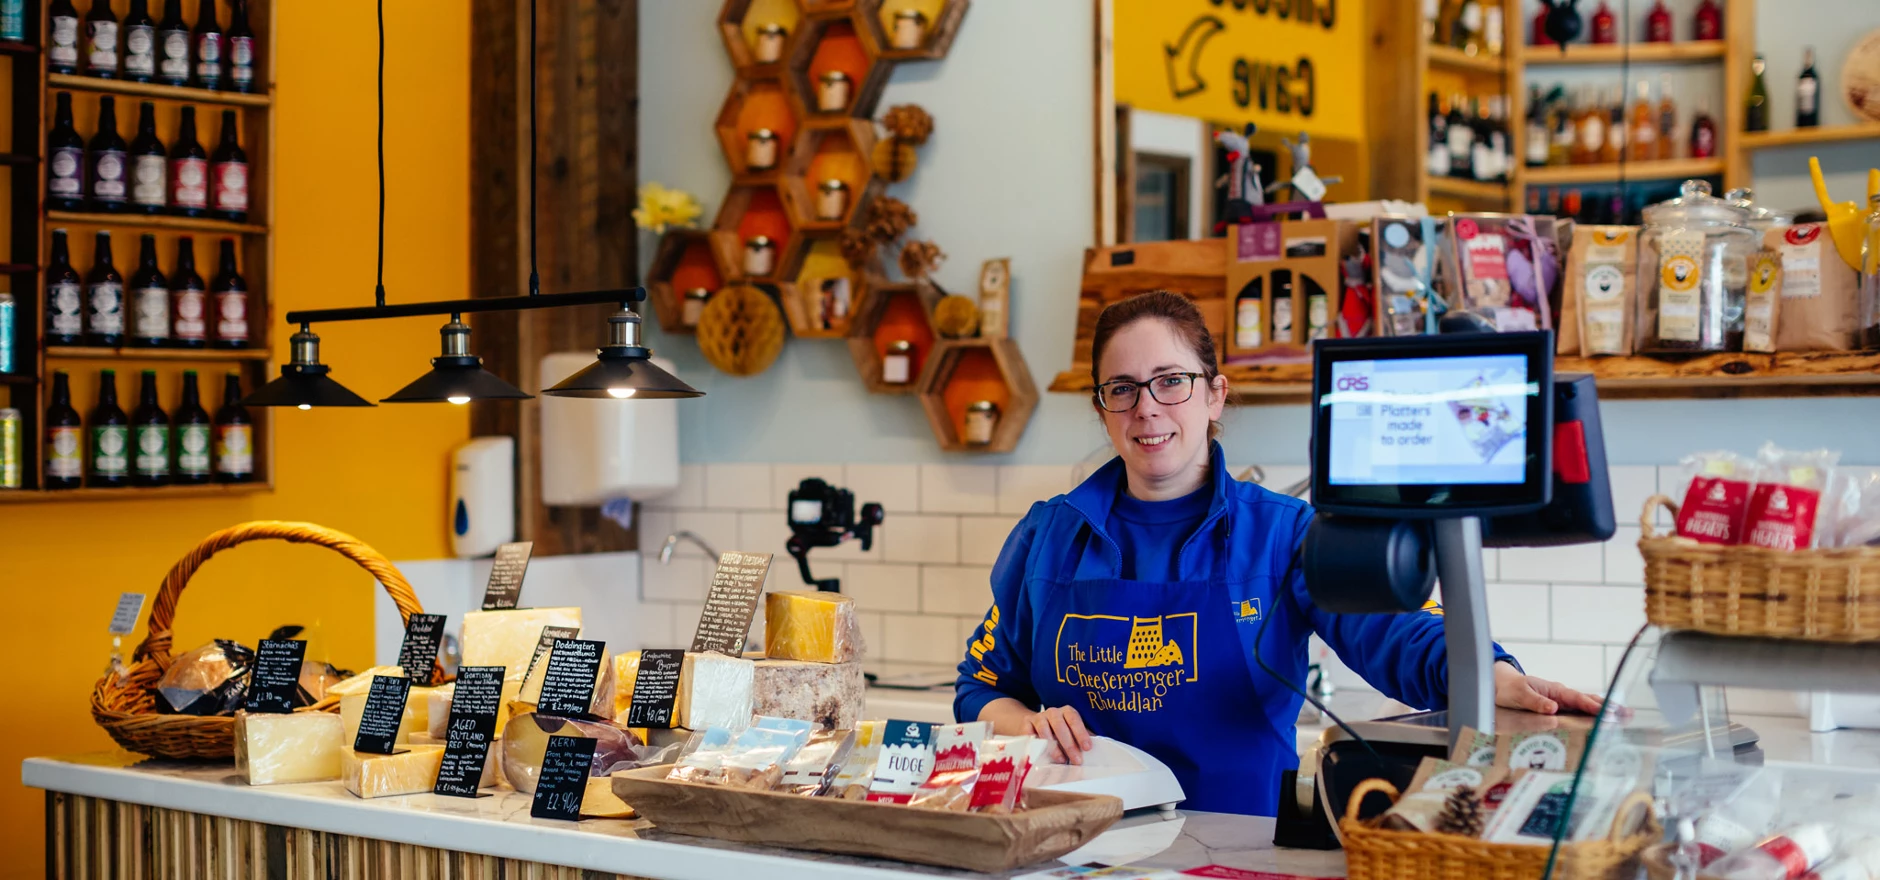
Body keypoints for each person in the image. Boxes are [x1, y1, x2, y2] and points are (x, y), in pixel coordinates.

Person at [952, 291, 1602, 816]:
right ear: (1102, 410)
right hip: (1070, 845)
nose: (1146, 409)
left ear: (1215, 394)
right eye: (1121, 389)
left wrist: (1498, 678)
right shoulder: (1049, 536)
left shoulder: (1286, 534)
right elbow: (980, 686)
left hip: (1238, 849)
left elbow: (1398, 635)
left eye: (1170, 382)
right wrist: (1024, 724)